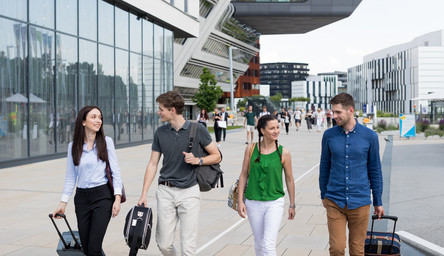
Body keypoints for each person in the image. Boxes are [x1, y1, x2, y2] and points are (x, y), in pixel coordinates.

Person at [138, 91, 221, 256]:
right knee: (163, 244)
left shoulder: (198, 129)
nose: (158, 112)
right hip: (165, 191)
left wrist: (198, 160)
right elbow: (153, 163)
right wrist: (144, 193)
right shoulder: (160, 132)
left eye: (161, 109)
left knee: (188, 248)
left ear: (173, 110)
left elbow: (216, 155)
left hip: (189, 192)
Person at [319, 93, 384, 256]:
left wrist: (378, 201)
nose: (334, 116)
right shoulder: (329, 135)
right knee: (337, 248)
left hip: (360, 201)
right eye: (333, 112)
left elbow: (375, 170)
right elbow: (324, 166)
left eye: (338, 112)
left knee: (357, 250)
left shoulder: (370, 137)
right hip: (334, 200)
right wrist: (323, 195)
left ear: (350, 110)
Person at [53, 105, 123, 256]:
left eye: (100, 117)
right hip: (82, 198)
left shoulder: (106, 142)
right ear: (83, 122)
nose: (98, 121)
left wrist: (117, 198)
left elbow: (115, 171)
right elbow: (71, 177)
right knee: (86, 246)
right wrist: (62, 203)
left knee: (94, 247)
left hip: (102, 196)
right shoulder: (73, 146)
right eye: (93, 117)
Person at [237, 114, 296, 256]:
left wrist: (292, 204)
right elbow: (244, 174)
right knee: (259, 243)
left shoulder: (284, 153)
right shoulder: (250, 149)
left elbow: (289, 179)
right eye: (272, 128)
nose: (276, 131)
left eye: (277, 127)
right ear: (262, 130)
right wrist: (240, 201)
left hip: (274, 202)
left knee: (268, 245)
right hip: (253, 202)